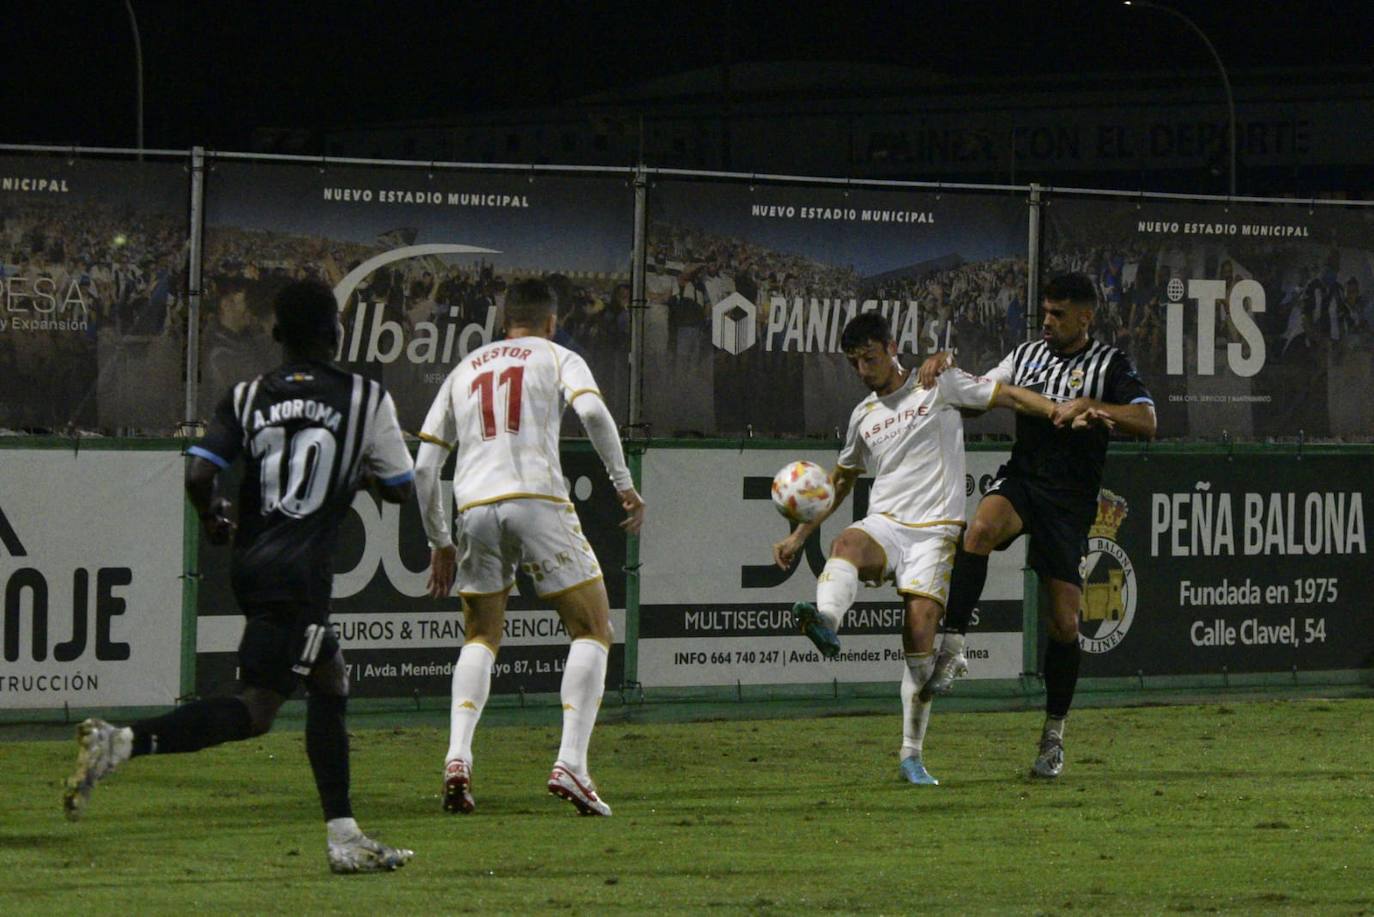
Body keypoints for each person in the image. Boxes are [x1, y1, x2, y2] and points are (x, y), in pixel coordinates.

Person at [63, 279, 417, 874]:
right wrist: (361, 475)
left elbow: (200, 474)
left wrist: (213, 519)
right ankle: (120, 743)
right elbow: (402, 489)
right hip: (302, 574)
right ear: (336, 333)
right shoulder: (365, 397)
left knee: (328, 680)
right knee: (255, 711)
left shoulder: (247, 395)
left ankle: (345, 832)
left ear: (276, 335)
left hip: (252, 565)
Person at [772, 310, 1058, 786]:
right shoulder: (862, 416)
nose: (864, 371)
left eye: (870, 358)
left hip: (937, 532)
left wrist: (1054, 409)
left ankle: (911, 755)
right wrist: (800, 535)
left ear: (890, 348)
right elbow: (841, 479)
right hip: (886, 523)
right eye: (854, 363)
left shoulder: (938, 384)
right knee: (846, 542)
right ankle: (825, 621)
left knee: (920, 635)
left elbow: (1002, 394)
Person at [414, 277, 645, 817]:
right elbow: (590, 414)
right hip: (537, 498)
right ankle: (571, 763)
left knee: (481, 635)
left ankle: (458, 757)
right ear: (551, 321)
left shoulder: (463, 370)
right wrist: (623, 484)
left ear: (502, 321)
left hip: (473, 508)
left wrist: (439, 542)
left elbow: (425, 468)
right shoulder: (559, 356)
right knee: (592, 629)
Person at [917, 272, 1157, 779]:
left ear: (1085, 318)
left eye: (1058, 314)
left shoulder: (1110, 365)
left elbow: (1147, 421)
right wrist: (947, 364)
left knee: (1065, 625)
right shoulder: (1026, 356)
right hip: (1023, 479)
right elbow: (983, 391)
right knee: (978, 531)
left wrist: (1092, 407)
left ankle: (1053, 735)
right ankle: (955, 645)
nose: (1046, 321)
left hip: (1069, 503)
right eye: (1044, 312)